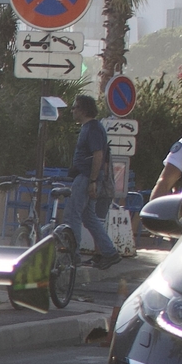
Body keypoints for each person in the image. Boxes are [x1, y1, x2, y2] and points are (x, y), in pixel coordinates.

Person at [67, 94, 124, 270]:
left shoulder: (93, 129)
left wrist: (92, 180)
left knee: (73, 214)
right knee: (88, 216)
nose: (73, 110)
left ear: (83, 109)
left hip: (86, 177)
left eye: (75, 107)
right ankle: (109, 252)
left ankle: (73, 254)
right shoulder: (88, 128)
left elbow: (98, 155)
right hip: (86, 176)